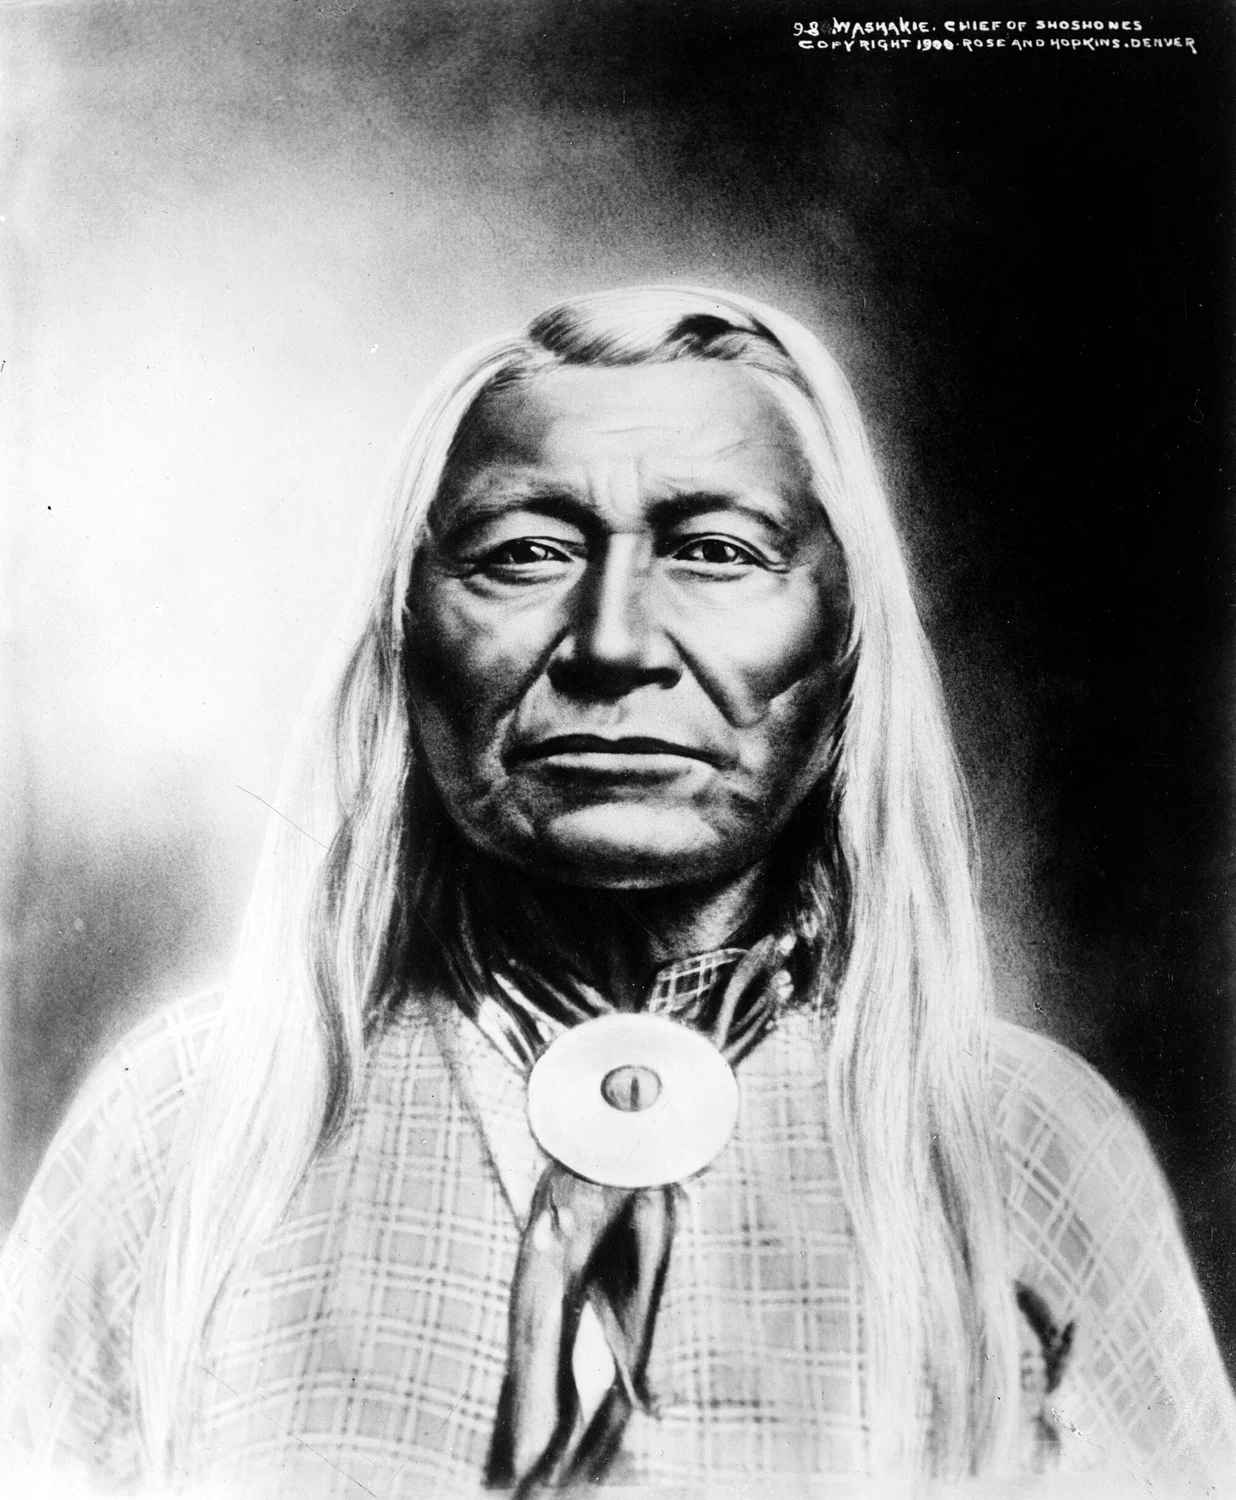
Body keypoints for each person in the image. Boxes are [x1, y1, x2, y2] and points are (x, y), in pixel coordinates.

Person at [2, 286, 1233, 1498]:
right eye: (524, 553)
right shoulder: (182, 1130)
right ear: (405, 632)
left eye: (717, 552)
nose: (613, 644)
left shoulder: (1019, 1147)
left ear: (849, 638)